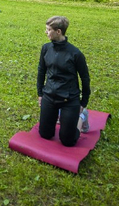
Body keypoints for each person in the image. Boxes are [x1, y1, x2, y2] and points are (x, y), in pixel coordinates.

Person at [36, 15, 91, 146]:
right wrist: (40, 94)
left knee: (68, 141)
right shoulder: (46, 48)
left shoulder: (75, 54)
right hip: (50, 95)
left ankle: (82, 117)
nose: (46, 32)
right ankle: (61, 116)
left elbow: (85, 78)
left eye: (48, 29)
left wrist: (83, 102)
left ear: (58, 31)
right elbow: (41, 71)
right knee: (45, 134)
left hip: (69, 99)